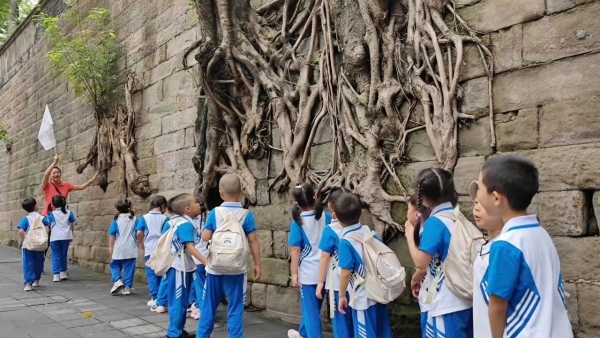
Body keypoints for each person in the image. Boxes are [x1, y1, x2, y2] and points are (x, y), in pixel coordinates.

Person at [475, 155, 573, 338]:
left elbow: (497, 304)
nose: (477, 194)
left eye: (479, 187)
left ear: (496, 198)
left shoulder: (505, 244)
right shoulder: (540, 233)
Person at [407, 168, 473, 338]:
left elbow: (420, 262)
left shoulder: (435, 222)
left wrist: (409, 235)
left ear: (424, 197)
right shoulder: (457, 217)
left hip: (446, 301)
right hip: (464, 297)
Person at [197, 174, 262, 338]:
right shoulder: (247, 215)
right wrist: (257, 264)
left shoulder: (214, 213)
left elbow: (205, 238)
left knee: (208, 307)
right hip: (236, 270)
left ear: (221, 193)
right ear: (241, 192)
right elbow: (253, 241)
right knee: (235, 308)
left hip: (215, 269)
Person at [336, 192, 393, 338]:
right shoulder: (369, 231)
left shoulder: (345, 242)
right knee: (382, 330)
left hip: (363, 297)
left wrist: (342, 296)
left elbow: (345, 272)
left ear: (335, 216)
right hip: (379, 291)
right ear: (362, 212)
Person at [287, 183, 331, 338]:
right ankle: (302, 334)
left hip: (308, 274)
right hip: (327, 272)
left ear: (296, 204)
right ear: (315, 197)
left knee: (311, 311)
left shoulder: (297, 223)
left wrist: (294, 274)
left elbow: (295, 250)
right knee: (312, 308)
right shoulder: (327, 217)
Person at [162, 193, 209, 338]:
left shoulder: (172, 221)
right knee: (178, 301)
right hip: (179, 268)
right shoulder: (185, 224)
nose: (199, 205)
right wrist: (207, 263)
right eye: (196, 202)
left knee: (180, 301)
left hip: (175, 267)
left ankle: (178, 330)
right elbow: (190, 247)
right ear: (187, 209)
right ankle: (174, 333)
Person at [315, 187, 353, 338]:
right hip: (356, 285)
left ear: (331, 206)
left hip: (337, 285)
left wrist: (320, 282)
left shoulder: (330, 230)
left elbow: (324, 257)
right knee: (353, 322)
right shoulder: (360, 227)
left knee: (340, 322)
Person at [468, 186, 503, 338]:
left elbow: (500, 304)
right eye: (476, 202)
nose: (476, 208)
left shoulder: (505, 248)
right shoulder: (488, 245)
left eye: (483, 203)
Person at [403, 194, 431, 337]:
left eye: (407, 208)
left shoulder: (424, 233)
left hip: (433, 299)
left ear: (415, 214)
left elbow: (421, 264)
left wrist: (409, 234)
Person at [136, 195, 169, 306]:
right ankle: (161, 296)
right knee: (162, 272)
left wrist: (141, 242)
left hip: (149, 248)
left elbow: (139, 233)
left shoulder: (144, 218)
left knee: (151, 273)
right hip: (162, 249)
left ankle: (155, 296)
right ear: (163, 206)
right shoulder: (165, 218)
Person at [152, 196, 178, 313]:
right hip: (186, 260)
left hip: (172, 258)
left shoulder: (171, 222)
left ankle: (160, 303)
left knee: (166, 279)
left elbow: (162, 240)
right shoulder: (188, 222)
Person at [108, 199, 138, 296]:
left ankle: (117, 280)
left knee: (114, 265)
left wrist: (110, 246)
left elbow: (112, 234)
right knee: (129, 268)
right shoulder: (135, 219)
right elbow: (139, 232)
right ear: (130, 207)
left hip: (119, 247)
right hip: (131, 247)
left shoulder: (116, 220)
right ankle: (127, 288)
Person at [43, 195, 76, 283]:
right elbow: (72, 224)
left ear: (53, 204)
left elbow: (46, 224)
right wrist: (71, 235)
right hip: (66, 236)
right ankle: (63, 272)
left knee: (55, 255)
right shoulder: (69, 213)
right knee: (63, 254)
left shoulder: (51, 214)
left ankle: (56, 275)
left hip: (55, 237)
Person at [17, 198, 49, 291]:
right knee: (39, 262)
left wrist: (25, 240)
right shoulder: (42, 218)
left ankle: (28, 283)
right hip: (40, 245)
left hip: (29, 246)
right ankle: (36, 279)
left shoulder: (26, 219)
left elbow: (21, 231)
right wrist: (44, 238)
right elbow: (47, 228)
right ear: (36, 206)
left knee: (28, 263)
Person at [188, 196, 207, 320]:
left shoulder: (188, 221)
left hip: (196, 258)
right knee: (204, 284)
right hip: (207, 255)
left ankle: (200, 308)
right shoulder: (209, 218)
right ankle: (195, 303)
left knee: (199, 285)